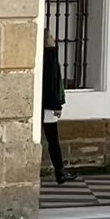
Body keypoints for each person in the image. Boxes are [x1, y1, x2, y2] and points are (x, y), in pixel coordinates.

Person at [43, 29, 69, 185]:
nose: (54, 39)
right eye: (51, 36)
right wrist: (56, 104)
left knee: (52, 140)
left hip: (44, 103)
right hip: (49, 105)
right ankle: (60, 171)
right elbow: (53, 82)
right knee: (53, 140)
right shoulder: (51, 55)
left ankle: (60, 171)